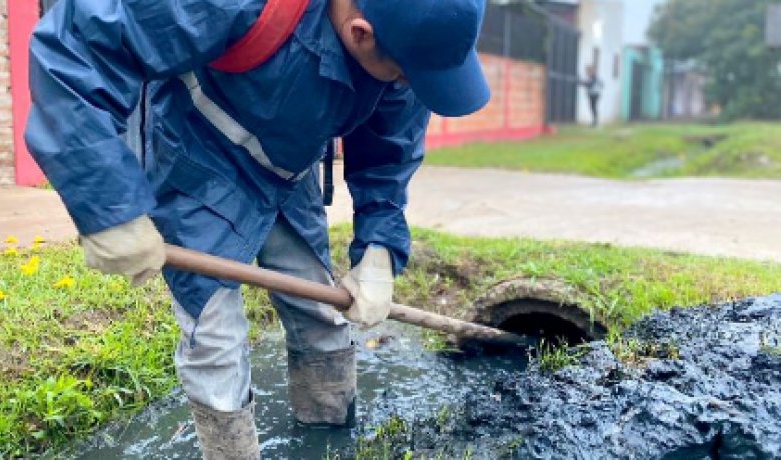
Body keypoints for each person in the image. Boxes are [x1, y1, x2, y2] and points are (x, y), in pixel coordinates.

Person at [25, 0, 490, 457]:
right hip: (198, 165)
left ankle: (329, 434)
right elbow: (77, 50)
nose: (408, 84)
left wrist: (380, 249)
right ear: (360, 33)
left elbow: (390, 151)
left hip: (289, 172)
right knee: (214, 338)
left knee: (321, 310)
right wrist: (108, 206)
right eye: (404, 74)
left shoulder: (407, 47)